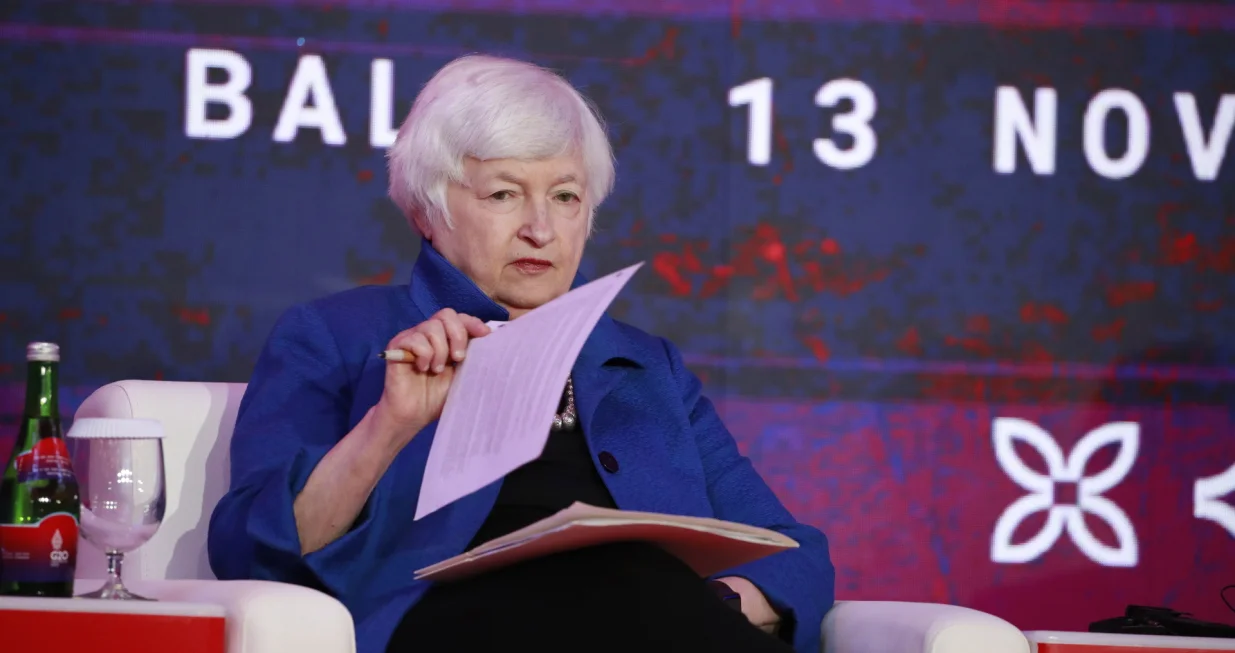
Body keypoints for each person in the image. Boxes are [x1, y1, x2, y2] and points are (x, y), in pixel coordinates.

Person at [207, 54, 835, 653]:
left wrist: (715, 609)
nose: (541, 228)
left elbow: (791, 550)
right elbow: (251, 551)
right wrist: (387, 429)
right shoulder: (339, 336)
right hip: (456, 629)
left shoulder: (647, 367)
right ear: (428, 210)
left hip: (656, 623)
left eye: (565, 197)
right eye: (504, 194)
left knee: (635, 585)